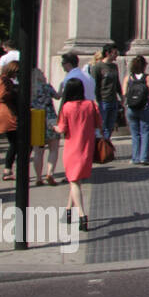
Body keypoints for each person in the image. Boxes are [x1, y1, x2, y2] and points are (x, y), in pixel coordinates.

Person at [56, 78, 101, 233]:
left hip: (71, 147)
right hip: (86, 147)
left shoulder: (67, 107)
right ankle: (68, 210)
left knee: (74, 180)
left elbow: (62, 128)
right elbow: (98, 123)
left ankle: (82, 215)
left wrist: (52, 127)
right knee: (75, 180)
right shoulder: (90, 105)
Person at [123, 55, 149, 166]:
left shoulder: (128, 77)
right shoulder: (147, 77)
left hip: (131, 108)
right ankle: (144, 157)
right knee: (145, 132)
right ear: (144, 66)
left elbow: (124, 93)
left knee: (135, 134)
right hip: (144, 108)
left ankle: (135, 158)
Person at [30, 68, 62, 186]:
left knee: (38, 151)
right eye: (42, 74)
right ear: (39, 76)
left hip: (36, 118)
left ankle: (39, 177)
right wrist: (62, 87)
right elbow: (58, 96)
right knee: (53, 148)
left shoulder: (30, 89)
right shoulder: (46, 87)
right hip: (50, 117)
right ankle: (50, 173)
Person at [90, 43, 122, 141]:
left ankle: (106, 146)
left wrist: (121, 95)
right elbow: (94, 85)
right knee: (102, 125)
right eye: (115, 53)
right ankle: (101, 148)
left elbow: (117, 83)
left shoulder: (114, 66)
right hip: (103, 101)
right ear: (108, 53)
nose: (116, 55)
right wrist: (95, 99)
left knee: (110, 125)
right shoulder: (97, 67)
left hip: (113, 100)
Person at [0, 60, 20, 181]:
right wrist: (14, 92)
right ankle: (7, 170)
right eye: (16, 72)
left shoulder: (5, 80)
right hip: (8, 115)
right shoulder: (4, 80)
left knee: (15, 144)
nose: (17, 75)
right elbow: (1, 97)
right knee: (14, 144)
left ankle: (8, 170)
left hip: (9, 113)